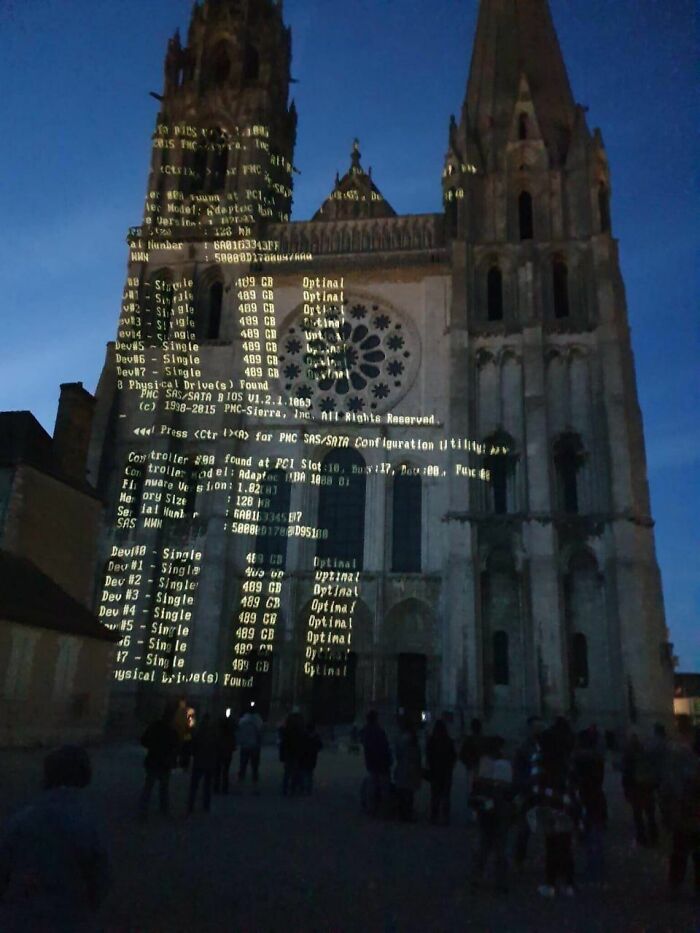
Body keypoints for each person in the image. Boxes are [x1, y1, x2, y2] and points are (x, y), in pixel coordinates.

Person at [0, 746, 111, 933]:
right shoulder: (90, 823)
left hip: (21, 917)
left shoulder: (21, 819)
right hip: (70, 918)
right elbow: (100, 877)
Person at [526, 726, 580, 898]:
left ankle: (550, 884)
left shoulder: (539, 759)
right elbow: (573, 784)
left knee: (551, 846)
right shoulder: (565, 760)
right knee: (565, 847)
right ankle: (569, 884)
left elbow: (535, 785)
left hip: (548, 807)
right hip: (565, 805)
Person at [659, 715, 700, 897]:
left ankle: (676, 884)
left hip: (685, 814)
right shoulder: (683, 758)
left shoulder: (680, 758)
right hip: (690, 813)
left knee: (680, 851)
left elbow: (672, 787)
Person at [469, 736, 514, 893]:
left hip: (486, 807)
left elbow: (477, 786)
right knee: (500, 845)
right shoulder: (504, 764)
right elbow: (508, 787)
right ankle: (500, 880)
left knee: (484, 843)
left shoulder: (483, 763)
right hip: (501, 807)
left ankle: (477, 875)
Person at [572, 728, 607, 885]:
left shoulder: (579, 758)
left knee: (587, 830)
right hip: (596, 795)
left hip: (585, 795)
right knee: (596, 830)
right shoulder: (598, 757)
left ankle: (592, 865)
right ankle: (596, 865)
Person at [512, 715, 545, 868]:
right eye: (536, 728)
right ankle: (519, 858)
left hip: (540, 790)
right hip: (528, 791)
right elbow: (518, 771)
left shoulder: (542, 746)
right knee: (524, 828)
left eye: (540, 728)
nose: (539, 731)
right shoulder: (524, 748)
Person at [139, 705, 179, 819]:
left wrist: (153, 747)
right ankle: (163, 810)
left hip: (153, 760)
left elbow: (144, 740)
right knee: (163, 788)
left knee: (149, 787)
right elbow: (175, 747)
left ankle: (144, 810)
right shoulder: (172, 731)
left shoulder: (155, 727)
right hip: (164, 763)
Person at [622, 732, 659, 847]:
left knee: (638, 813)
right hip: (646, 786)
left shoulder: (629, 757)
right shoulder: (646, 755)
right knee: (650, 812)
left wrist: (626, 789)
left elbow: (626, 774)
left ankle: (642, 837)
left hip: (635, 787)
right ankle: (653, 835)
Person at [360, 710, 393, 816]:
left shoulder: (365, 731)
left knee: (372, 785)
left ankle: (371, 808)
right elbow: (384, 747)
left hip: (371, 762)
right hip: (382, 762)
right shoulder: (379, 731)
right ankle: (384, 809)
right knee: (384, 787)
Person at [426, 719, 457, 825]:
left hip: (435, 771)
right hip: (446, 772)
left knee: (435, 795)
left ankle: (434, 816)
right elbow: (453, 756)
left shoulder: (432, 741)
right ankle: (445, 817)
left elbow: (429, 756)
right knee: (445, 796)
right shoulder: (448, 741)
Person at [188, 713, 219, 814]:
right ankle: (206, 805)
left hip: (199, 761)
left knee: (195, 785)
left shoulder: (198, 733)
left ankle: (191, 805)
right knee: (207, 785)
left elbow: (193, 747)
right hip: (209, 762)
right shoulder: (213, 733)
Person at [394, 717, 423, 822]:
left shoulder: (401, 739)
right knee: (409, 794)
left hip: (404, 767)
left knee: (402, 792)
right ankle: (408, 813)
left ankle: (402, 814)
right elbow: (418, 756)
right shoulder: (414, 739)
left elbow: (398, 754)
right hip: (412, 768)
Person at [459, 718, 486, 808]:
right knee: (481, 791)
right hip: (482, 768)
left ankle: (474, 813)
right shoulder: (483, 740)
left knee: (473, 791)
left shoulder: (469, 740)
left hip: (472, 768)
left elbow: (462, 755)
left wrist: (468, 764)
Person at [279, 709, 306, 796]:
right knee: (296, 772)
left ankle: (286, 789)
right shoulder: (300, 730)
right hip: (296, 753)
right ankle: (293, 789)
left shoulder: (286, 730)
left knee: (288, 772)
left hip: (289, 753)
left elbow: (283, 744)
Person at [237, 702, 264, 784]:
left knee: (243, 764)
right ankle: (254, 779)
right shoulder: (258, 720)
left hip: (245, 745)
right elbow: (260, 732)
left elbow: (239, 732)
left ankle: (241, 778)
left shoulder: (242, 720)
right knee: (254, 765)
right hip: (254, 745)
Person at [214, 713, 237, 795]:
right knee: (225, 771)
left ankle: (216, 786)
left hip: (219, 753)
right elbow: (233, 746)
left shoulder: (218, 734)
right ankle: (224, 787)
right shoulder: (230, 735)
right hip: (227, 753)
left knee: (218, 771)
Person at [300, 721, 323, 795]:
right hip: (312, 757)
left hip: (304, 757)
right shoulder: (316, 736)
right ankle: (309, 789)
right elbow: (320, 746)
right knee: (310, 774)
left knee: (304, 773)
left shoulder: (303, 736)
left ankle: (303, 788)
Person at [172, 697, 192, 771]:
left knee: (184, 750)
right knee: (179, 750)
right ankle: (179, 763)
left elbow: (190, 724)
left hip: (183, 734)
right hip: (178, 734)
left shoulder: (186, 712)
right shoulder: (178, 712)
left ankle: (182, 764)